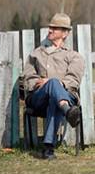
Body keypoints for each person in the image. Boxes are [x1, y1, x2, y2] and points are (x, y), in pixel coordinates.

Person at [22, 13, 84, 160]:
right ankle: (68, 111)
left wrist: (54, 82)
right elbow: (28, 77)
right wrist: (41, 84)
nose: (50, 30)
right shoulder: (36, 53)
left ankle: (48, 149)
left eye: (55, 28)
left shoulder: (74, 56)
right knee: (52, 85)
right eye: (50, 27)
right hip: (39, 98)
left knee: (54, 95)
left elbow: (74, 79)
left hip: (66, 95)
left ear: (65, 33)